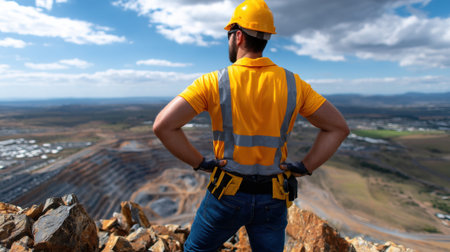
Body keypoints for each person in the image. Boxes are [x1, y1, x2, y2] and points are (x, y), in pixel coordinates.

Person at [153, 0, 349, 251]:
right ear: (265, 38)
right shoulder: (293, 84)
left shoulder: (214, 82)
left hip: (226, 193)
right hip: (273, 196)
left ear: (237, 36)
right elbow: (338, 128)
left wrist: (200, 162)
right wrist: (305, 167)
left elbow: (163, 125)